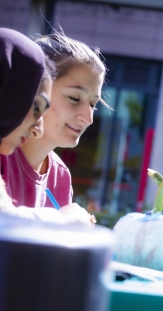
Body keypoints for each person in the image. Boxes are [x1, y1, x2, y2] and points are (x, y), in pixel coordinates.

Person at [0, 31, 105, 221]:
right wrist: (61, 221)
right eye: (74, 98)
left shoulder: (61, 175)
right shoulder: (3, 151)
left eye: (93, 104)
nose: (88, 118)